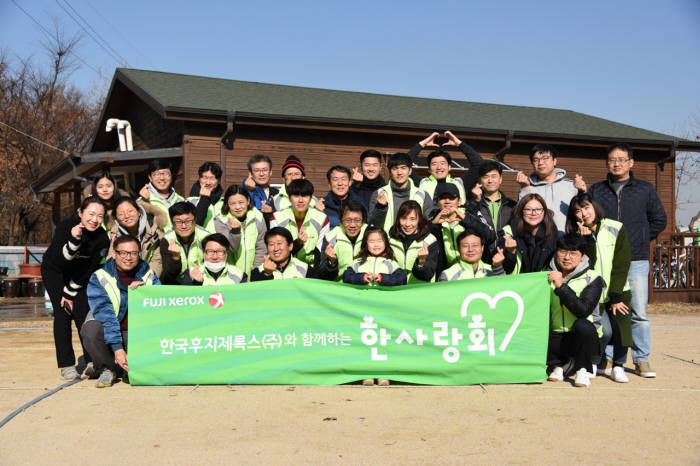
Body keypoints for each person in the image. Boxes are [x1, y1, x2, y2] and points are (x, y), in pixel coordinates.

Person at [578, 142, 667, 377]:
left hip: (636, 258)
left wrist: (638, 239)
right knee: (606, 309)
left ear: (631, 162)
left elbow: (659, 220)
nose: (616, 163)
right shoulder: (597, 190)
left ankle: (641, 358)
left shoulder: (645, 189)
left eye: (621, 159)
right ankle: (608, 358)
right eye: (611, 160)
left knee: (636, 311)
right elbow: (588, 218)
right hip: (604, 261)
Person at [41, 196, 109, 380]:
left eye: (100, 216)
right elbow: (59, 260)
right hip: (55, 272)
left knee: (81, 311)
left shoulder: (102, 238)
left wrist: (71, 291)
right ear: (80, 213)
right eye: (91, 214)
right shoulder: (66, 226)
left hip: (80, 276)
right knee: (62, 313)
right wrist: (74, 240)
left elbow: (90, 268)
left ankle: (91, 361)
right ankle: (66, 364)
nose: (95, 220)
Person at [566, 192, 632, 382]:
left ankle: (619, 365)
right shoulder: (576, 235)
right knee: (603, 331)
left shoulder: (616, 227)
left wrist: (616, 296)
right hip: (592, 293)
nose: (583, 214)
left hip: (618, 289)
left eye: (586, 207)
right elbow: (588, 267)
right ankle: (595, 361)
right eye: (577, 211)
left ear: (594, 206)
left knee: (622, 329)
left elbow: (621, 263)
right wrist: (587, 242)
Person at [82, 235, 159, 388]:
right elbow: (106, 316)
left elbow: (161, 306)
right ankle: (107, 368)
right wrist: (118, 348)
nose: (128, 257)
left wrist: (149, 291)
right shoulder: (99, 277)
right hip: (112, 330)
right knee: (91, 329)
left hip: (137, 333)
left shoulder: (148, 275)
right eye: (123, 253)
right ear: (115, 254)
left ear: (139, 254)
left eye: (133, 253)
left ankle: (131, 368)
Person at [546, 234, 604, 388]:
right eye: (563, 252)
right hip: (557, 334)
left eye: (573, 253)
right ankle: (558, 365)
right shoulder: (546, 275)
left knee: (583, 326)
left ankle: (582, 369)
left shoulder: (593, 278)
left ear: (582, 257)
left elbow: (583, 310)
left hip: (583, 337)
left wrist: (561, 286)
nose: (567, 257)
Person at [429, 183, 495, 273]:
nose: (447, 201)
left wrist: (465, 220)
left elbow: (490, 236)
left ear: (459, 201)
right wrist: (434, 226)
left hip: (474, 271)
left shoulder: (471, 213)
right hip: (448, 274)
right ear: (437, 202)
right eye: (443, 198)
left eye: (452, 198)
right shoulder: (432, 219)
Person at [408, 130, 487, 202]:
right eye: (434, 164)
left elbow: (480, 164)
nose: (439, 167)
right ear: (429, 169)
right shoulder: (421, 183)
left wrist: (459, 143)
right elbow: (404, 164)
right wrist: (422, 144)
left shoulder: (460, 183)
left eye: (442, 163)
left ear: (449, 167)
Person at [516, 144, 579, 232]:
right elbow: (521, 213)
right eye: (536, 160)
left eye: (545, 158)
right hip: (540, 242)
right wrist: (524, 188)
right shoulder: (528, 187)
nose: (540, 162)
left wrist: (583, 191)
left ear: (554, 161)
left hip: (567, 241)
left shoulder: (571, 186)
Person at [269, 179, 330, 266]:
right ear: (289, 198)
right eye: (296, 196)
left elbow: (320, 254)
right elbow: (276, 251)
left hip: (310, 271)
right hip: (284, 268)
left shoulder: (322, 219)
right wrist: (298, 243)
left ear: (311, 198)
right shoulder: (276, 218)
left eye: (305, 196)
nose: (300, 200)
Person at [368, 152, 433, 232]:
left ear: (410, 171)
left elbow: (429, 224)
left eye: (403, 168)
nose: (399, 173)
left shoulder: (422, 195)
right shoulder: (379, 194)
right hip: (387, 243)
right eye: (395, 168)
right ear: (390, 171)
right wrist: (381, 208)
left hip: (414, 243)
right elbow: (373, 225)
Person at [214, 185, 267, 279]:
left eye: (241, 202)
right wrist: (235, 232)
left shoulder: (257, 217)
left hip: (253, 276)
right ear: (227, 204)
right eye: (232, 203)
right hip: (229, 277)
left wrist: (255, 272)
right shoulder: (221, 220)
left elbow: (261, 248)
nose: (237, 207)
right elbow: (230, 249)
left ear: (248, 200)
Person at [109, 196, 167, 277]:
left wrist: (145, 281)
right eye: (121, 214)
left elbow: (157, 261)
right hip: (123, 278)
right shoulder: (114, 234)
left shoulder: (155, 230)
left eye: (130, 211)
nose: (127, 216)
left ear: (139, 212)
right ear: (116, 218)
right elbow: (111, 261)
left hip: (148, 278)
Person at [501, 193, 558, 274]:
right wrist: (511, 252)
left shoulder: (552, 233)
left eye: (538, 209)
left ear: (544, 212)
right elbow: (504, 269)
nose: (533, 213)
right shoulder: (507, 233)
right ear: (521, 211)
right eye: (528, 209)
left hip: (539, 284)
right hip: (514, 284)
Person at [388, 200, 439, 284]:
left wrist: (421, 263)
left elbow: (428, 275)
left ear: (419, 219)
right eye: (404, 218)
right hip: (396, 290)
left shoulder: (430, 241)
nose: (407, 224)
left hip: (419, 291)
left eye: (412, 219)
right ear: (398, 219)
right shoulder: (390, 239)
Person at [159, 201, 210, 284]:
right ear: (172, 223)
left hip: (201, 281)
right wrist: (175, 258)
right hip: (176, 285)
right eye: (178, 222)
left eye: (188, 221)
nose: (184, 226)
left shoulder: (205, 237)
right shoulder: (166, 239)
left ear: (195, 220)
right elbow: (169, 274)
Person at [316, 200, 367, 281]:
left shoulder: (370, 235)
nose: (352, 225)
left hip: (365, 285)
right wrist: (331, 262)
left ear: (363, 221)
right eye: (347, 220)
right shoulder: (331, 237)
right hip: (340, 286)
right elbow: (323, 275)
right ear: (340, 221)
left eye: (357, 220)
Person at [343, 226, 407, 287]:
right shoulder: (358, 262)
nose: (376, 245)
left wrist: (382, 278)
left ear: (385, 243)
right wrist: (363, 277)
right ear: (366, 243)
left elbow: (401, 279)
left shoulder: (391, 263)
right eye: (372, 241)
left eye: (380, 241)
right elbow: (346, 277)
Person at [250, 227, 317, 280]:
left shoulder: (305, 269)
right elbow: (256, 294)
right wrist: (267, 274)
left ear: (290, 246)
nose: (276, 249)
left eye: (279, 243)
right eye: (271, 244)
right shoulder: (258, 271)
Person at [438, 229, 505, 281]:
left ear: (482, 248)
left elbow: (504, 291)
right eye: (465, 246)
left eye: (475, 245)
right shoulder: (447, 275)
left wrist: (498, 267)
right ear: (458, 248)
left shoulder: (493, 270)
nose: (470, 249)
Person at [138, 159, 185, 229]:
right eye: (156, 174)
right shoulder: (142, 201)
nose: (162, 178)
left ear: (171, 176)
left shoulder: (181, 200)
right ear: (150, 178)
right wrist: (145, 202)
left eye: (166, 174)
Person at [472, 161, 516, 233]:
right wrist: (476, 201)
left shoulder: (512, 205)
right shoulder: (472, 204)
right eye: (486, 177)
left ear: (500, 179)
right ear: (480, 180)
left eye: (494, 176)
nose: (490, 180)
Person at [188, 162, 224, 232]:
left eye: (212, 178)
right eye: (205, 178)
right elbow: (195, 224)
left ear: (218, 180)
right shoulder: (189, 201)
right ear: (199, 179)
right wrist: (204, 199)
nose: (208, 182)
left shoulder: (224, 202)